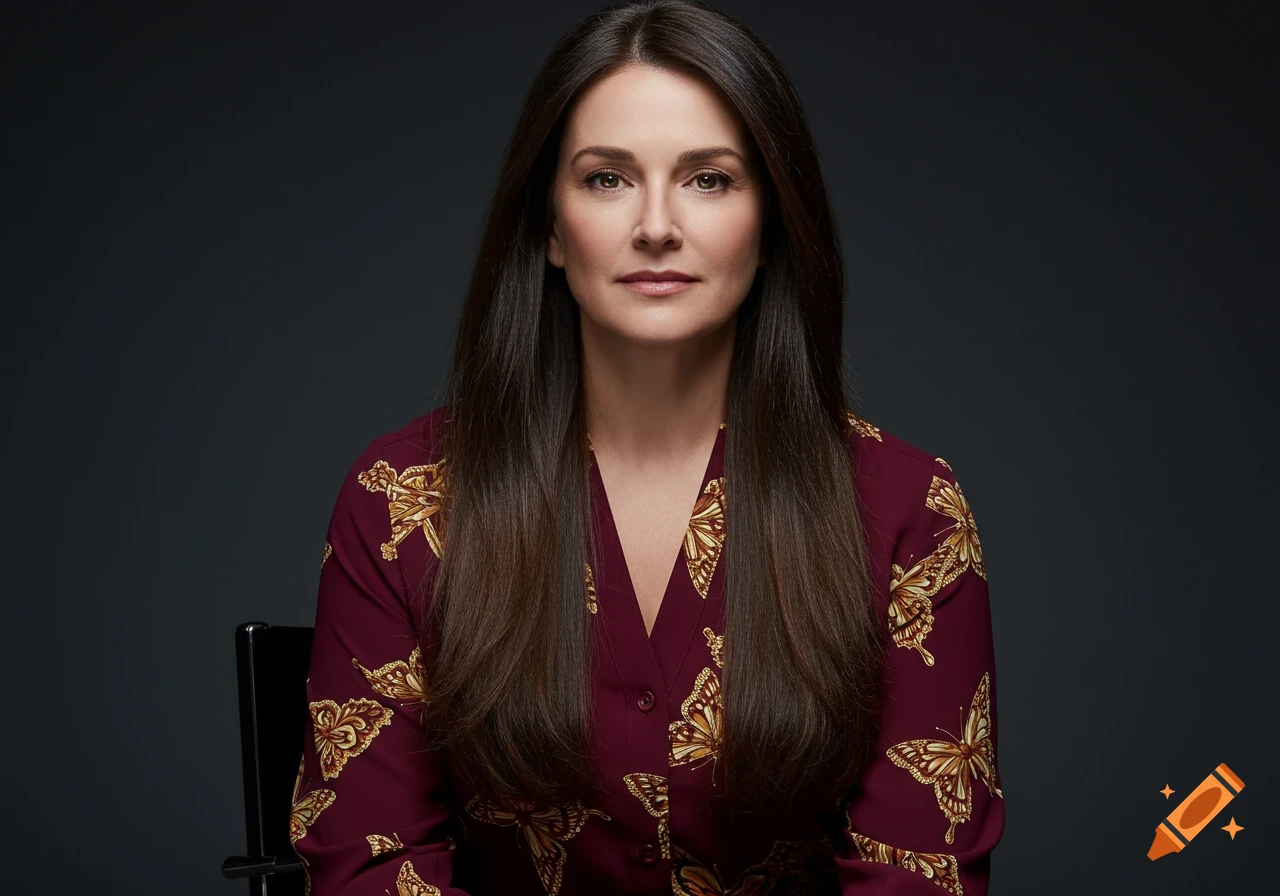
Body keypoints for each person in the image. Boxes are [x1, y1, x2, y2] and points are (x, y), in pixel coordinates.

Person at [289, 1, 1004, 893]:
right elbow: (369, 866)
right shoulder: (403, 502)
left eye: (709, 179)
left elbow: (921, 876)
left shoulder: (910, 513)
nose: (657, 224)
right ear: (549, 225)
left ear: (773, 223)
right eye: (606, 179)